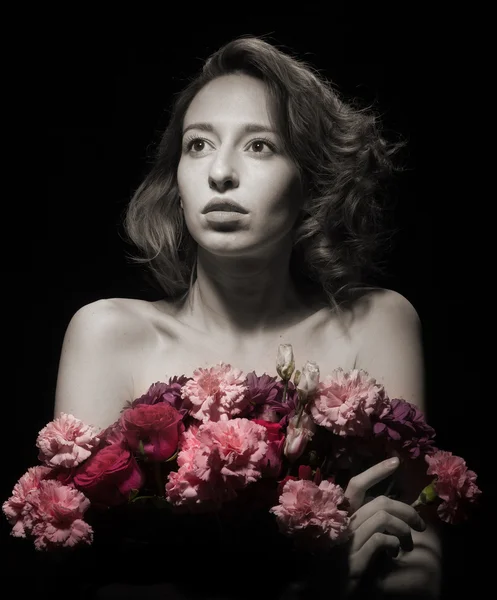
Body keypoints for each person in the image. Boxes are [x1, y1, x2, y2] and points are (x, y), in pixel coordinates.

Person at [53, 35, 440, 598]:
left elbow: (419, 567)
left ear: (312, 181)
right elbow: (79, 578)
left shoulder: (377, 324)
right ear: (176, 179)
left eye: (259, 146)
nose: (221, 174)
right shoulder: (107, 334)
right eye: (198, 144)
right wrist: (311, 583)